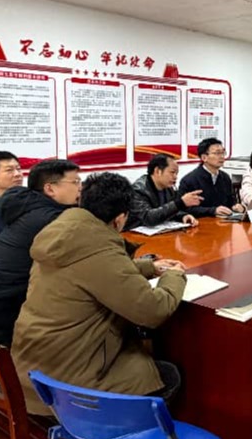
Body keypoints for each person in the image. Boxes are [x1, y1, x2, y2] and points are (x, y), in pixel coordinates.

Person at [12, 172, 187, 416]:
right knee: (167, 375)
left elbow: (93, 272)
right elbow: (153, 311)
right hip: (65, 384)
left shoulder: (64, 233)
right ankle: (109, 433)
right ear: (120, 219)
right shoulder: (100, 249)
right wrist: (174, 276)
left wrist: (149, 267)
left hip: (32, 367)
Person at [0, 159, 81, 347]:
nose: (80, 188)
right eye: (75, 182)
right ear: (50, 188)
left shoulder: (28, 210)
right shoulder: (53, 219)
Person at [125, 153, 201, 230]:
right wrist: (181, 203)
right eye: (172, 172)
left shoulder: (168, 188)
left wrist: (183, 216)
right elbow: (148, 218)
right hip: (133, 234)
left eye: (176, 173)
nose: (175, 177)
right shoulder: (138, 189)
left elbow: (169, 210)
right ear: (157, 171)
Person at [178, 138, 245, 217]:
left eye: (223, 153)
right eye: (217, 153)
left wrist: (236, 206)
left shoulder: (225, 177)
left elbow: (231, 201)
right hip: (201, 222)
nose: (222, 156)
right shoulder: (189, 180)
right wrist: (212, 211)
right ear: (204, 157)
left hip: (224, 221)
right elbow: (184, 209)